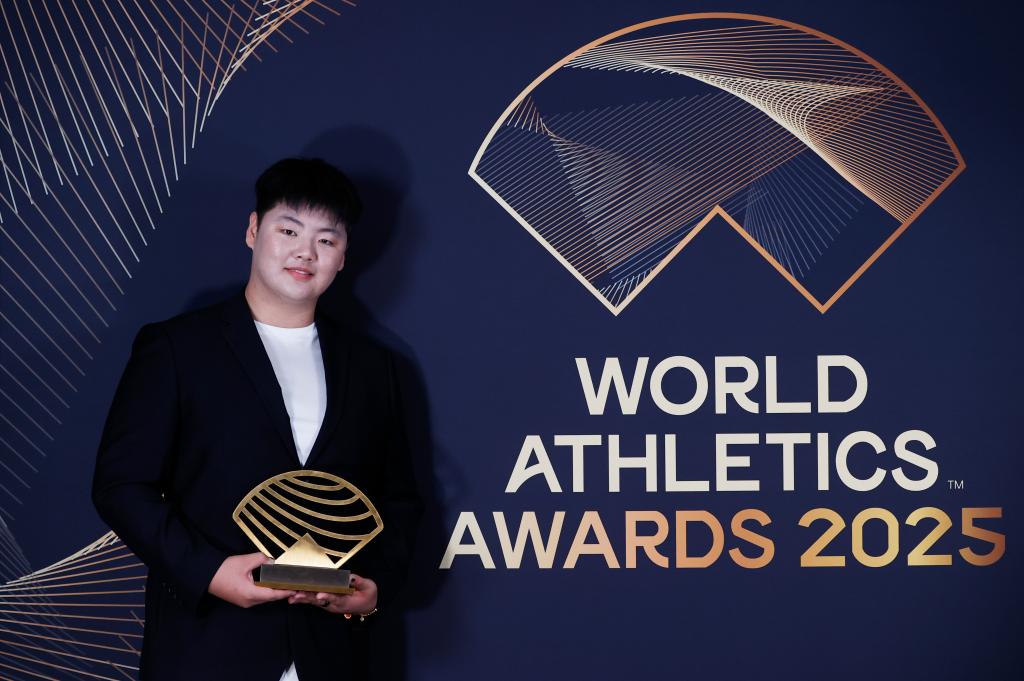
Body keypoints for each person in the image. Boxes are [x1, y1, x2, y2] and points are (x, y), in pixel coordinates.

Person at [92, 158, 421, 680]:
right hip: (208, 649)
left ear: (342, 256)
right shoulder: (178, 348)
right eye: (288, 230)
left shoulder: (372, 368)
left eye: (326, 240)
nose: (305, 252)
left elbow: (399, 498)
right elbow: (121, 486)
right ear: (253, 230)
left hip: (332, 654)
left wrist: (372, 587)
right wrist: (211, 572)